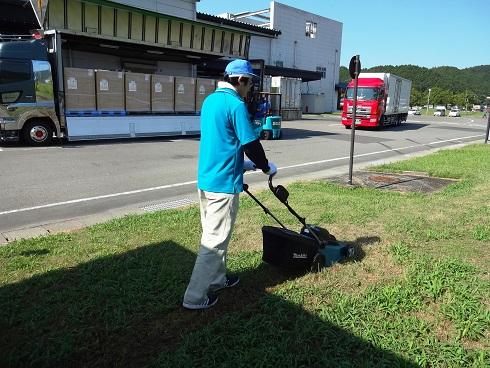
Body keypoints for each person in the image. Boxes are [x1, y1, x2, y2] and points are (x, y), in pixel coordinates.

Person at [182, 59, 277, 310]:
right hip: (223, 186)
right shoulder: (235, 105)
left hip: (207, 179)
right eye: (249, 84)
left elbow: (222, 142)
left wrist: (244, 166)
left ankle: (217, 279)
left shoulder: (210, 101)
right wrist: (265, 166)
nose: (249, 90)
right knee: (213, 242)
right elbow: (250, 144)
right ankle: (194, 297)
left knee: (214, 236)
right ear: (241, 80)